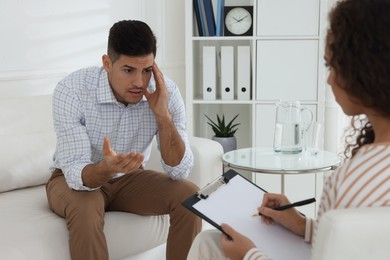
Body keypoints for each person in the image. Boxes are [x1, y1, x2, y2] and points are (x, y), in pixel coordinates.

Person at [187, 0, 390, 259]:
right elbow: (359, 245)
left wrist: (248, 255)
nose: (328, 79)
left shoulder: (354, 178)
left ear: (364, 69)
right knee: (210, 239)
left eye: (331, 66)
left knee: (210, 244)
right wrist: (302, 224)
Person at [46, 20, 201, 260]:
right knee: (86, 208)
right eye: (129, 70)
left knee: (191, 196)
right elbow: (76, 171)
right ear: (107, 63)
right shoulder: (72, 90)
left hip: (129, 178)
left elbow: (179, 171)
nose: (140, 82)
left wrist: (163, 115)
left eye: (147, 70)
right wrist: (105, 169)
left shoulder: (164, 92)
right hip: (73, 179)